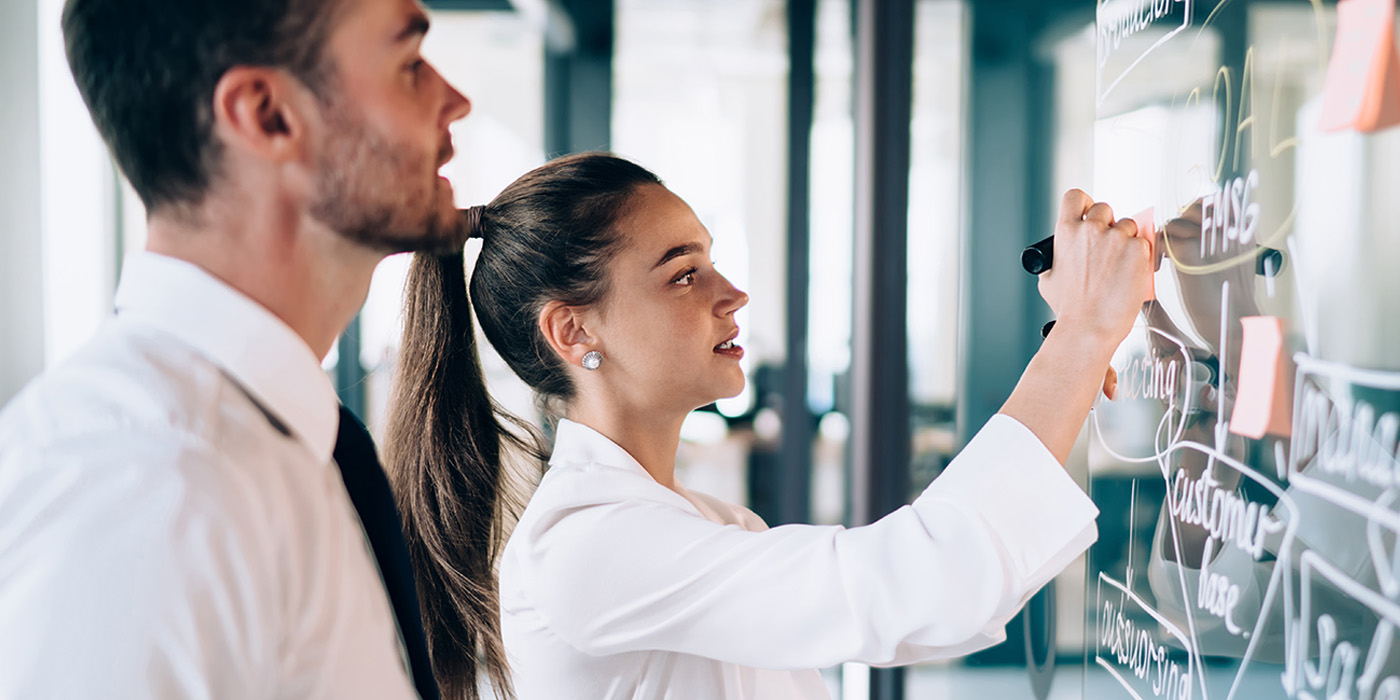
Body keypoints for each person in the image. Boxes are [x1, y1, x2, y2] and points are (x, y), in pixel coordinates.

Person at [385, 152, 1155, 699]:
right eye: (684, 274)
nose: (733, 295)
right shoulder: (585, 547)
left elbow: (924, 611)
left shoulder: (701, 522)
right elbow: (913, 584)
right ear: (573, 333)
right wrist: (1083, 337)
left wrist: (1076, 362)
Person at [0, 0, 473, 697]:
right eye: (409, 66)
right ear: (268, 115)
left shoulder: (272, 448)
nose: (455, 102)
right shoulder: (151, 485)